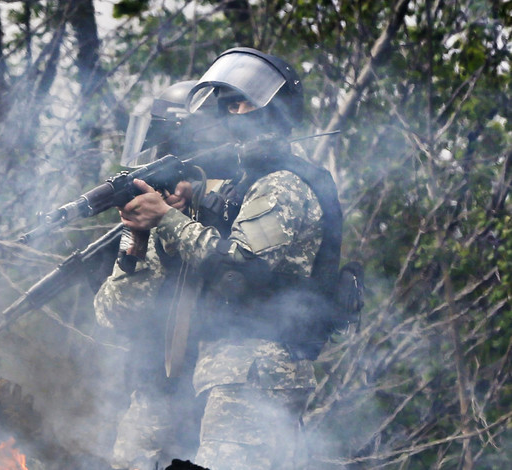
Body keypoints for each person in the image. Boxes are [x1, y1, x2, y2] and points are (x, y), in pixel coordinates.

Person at [94, 47, 347, 469]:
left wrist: (169, 220)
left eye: (246, 103)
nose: (237, 114)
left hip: (252, 374)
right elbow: (113, 314)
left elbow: (240, 272)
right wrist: (135, 243)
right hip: (195, 379)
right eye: (229, 105)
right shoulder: (223, 199)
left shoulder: (284, 185)